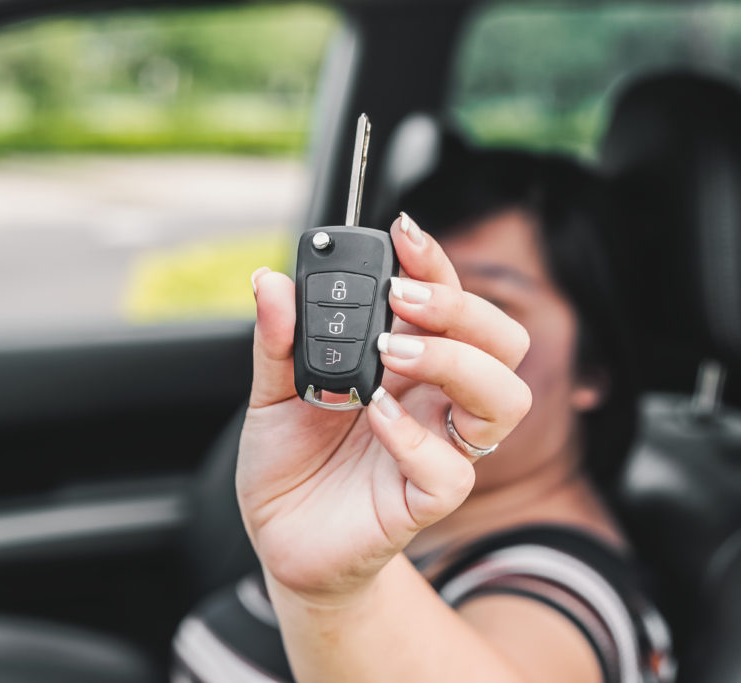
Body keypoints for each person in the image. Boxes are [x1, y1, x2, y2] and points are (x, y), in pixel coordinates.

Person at [172, 141, 674, 683]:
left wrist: (334, 595)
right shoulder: (397, 516)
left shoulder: (566, 595)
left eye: (486, 305)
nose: (417, 334)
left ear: (593, 370)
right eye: (398, 297)